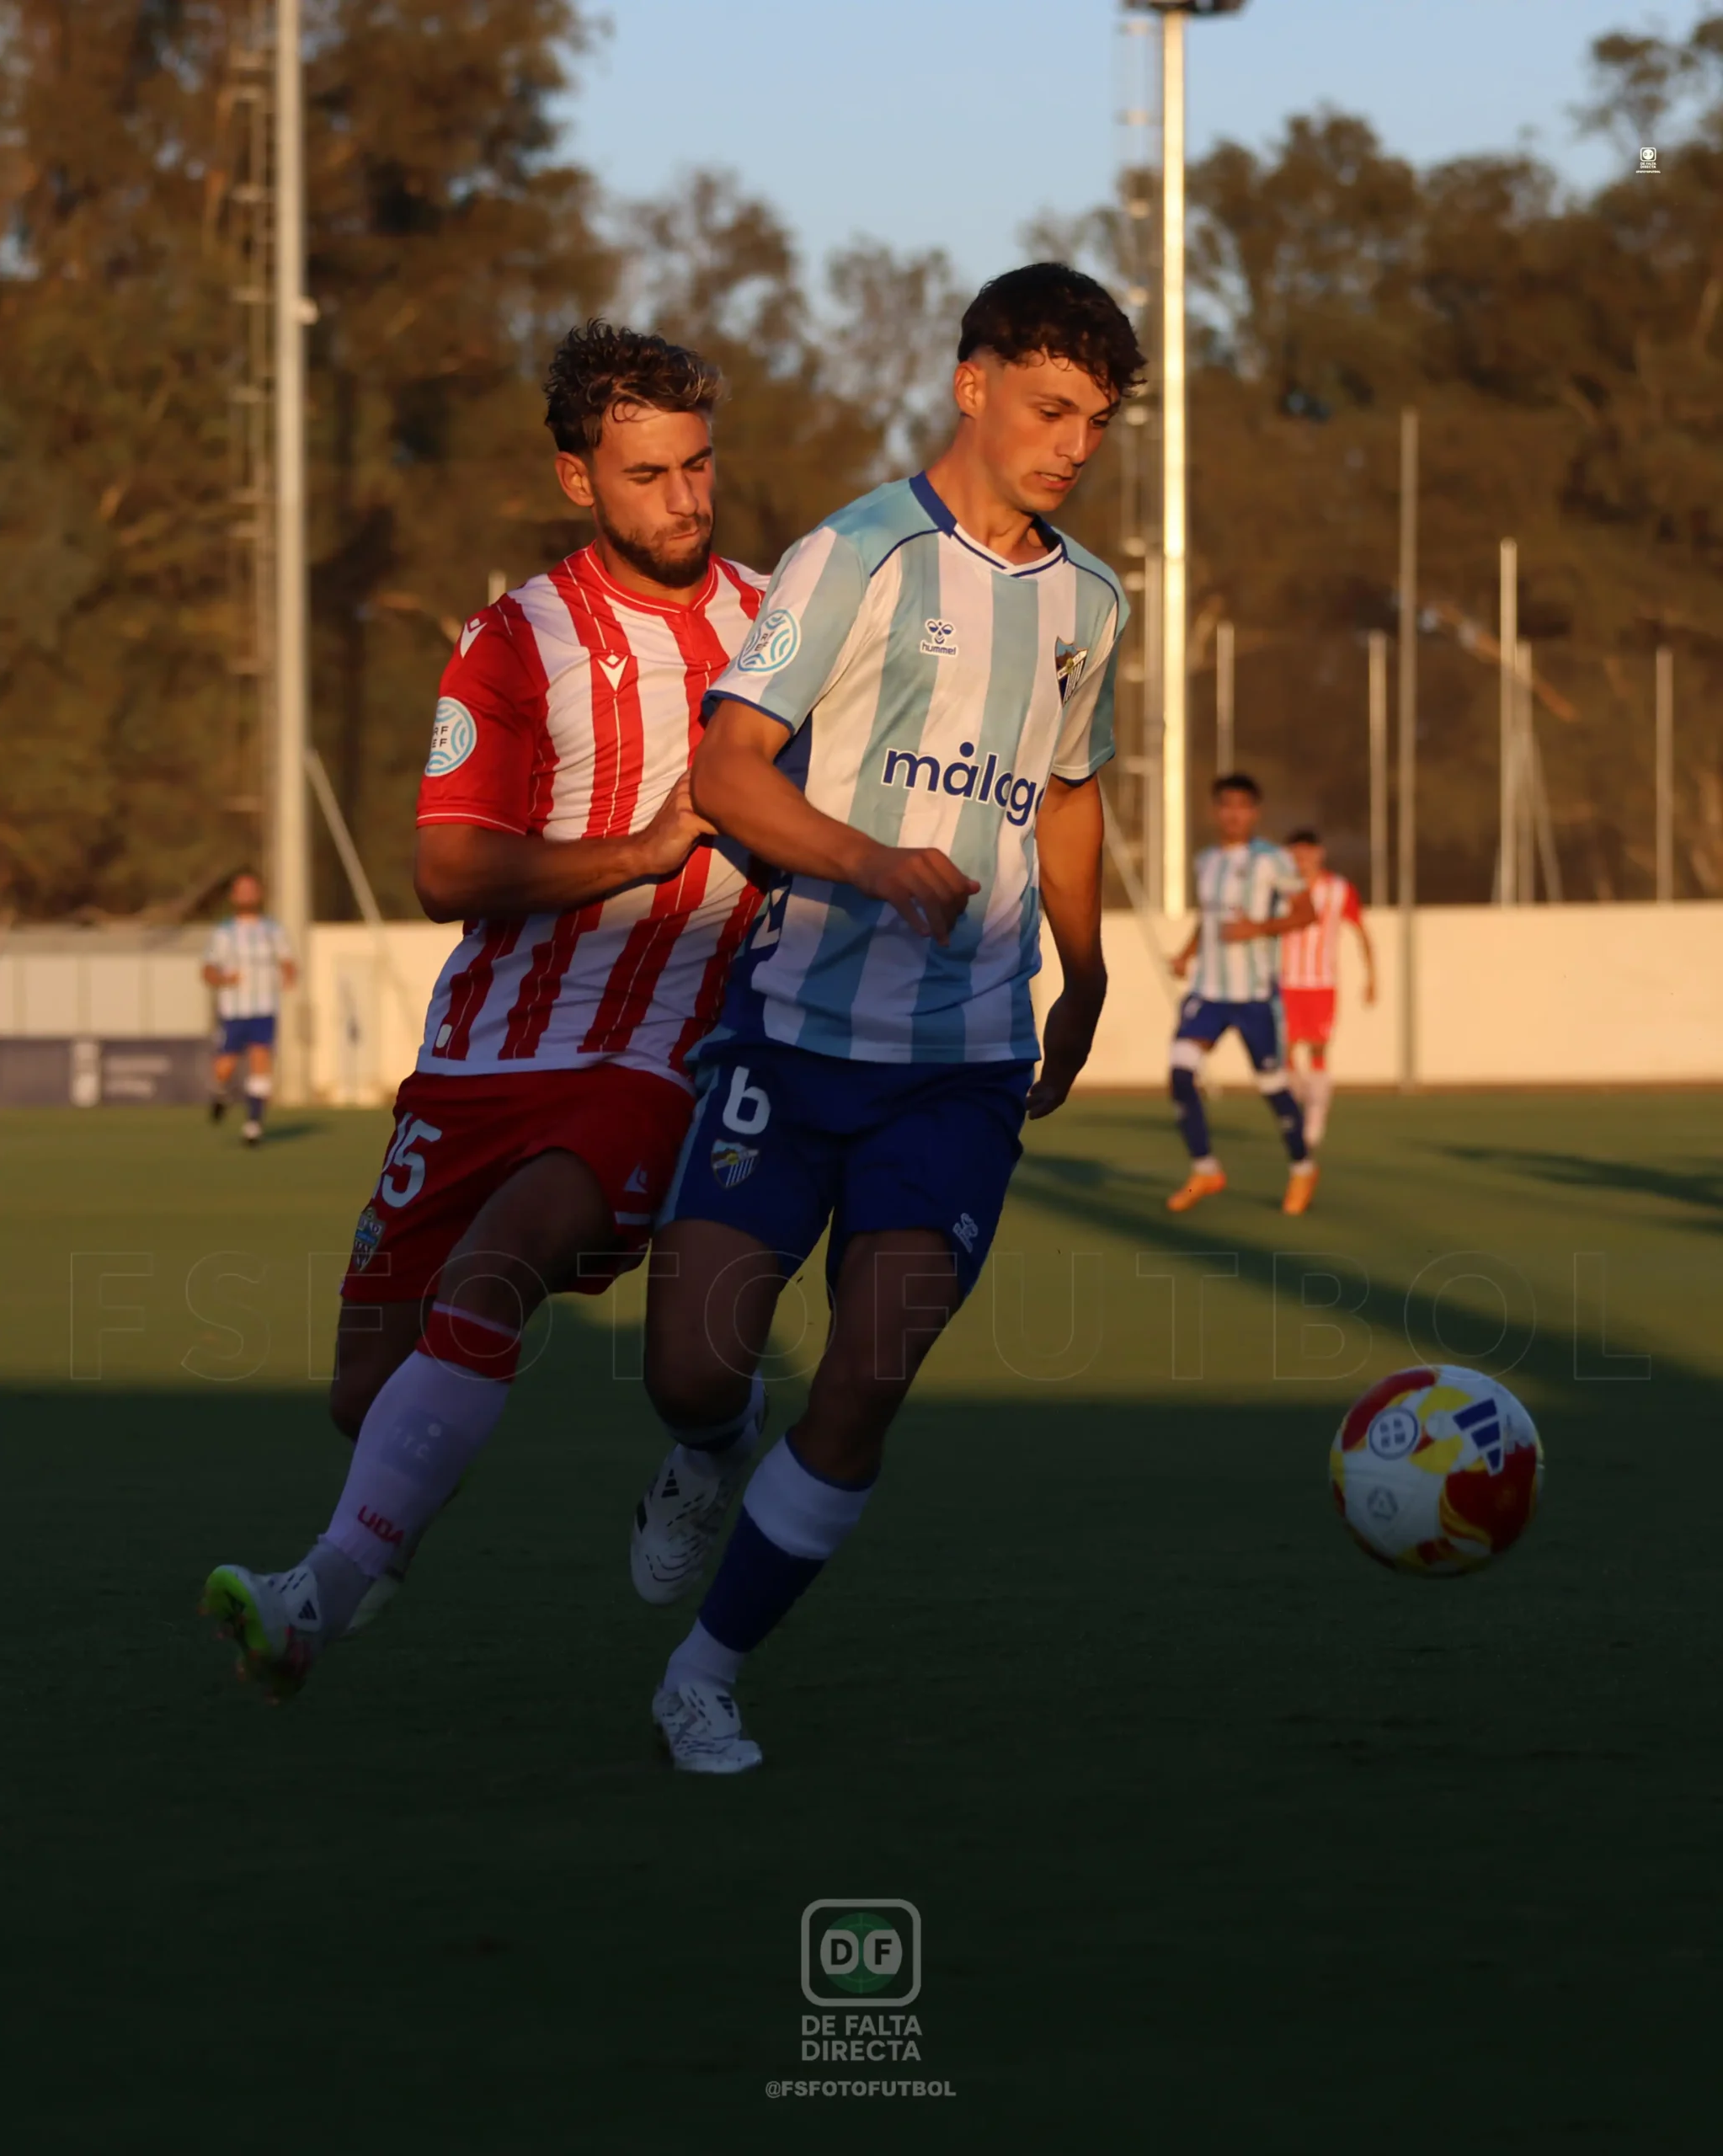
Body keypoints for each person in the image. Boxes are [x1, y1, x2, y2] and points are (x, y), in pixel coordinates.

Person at [201, 320, 769, 1694]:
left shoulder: (781, 624)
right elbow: (446, 870)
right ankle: (715, 1426)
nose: (686, 500)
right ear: (579, 479)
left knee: (498, 1266)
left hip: (654, 1047)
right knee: (366, 1396)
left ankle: (318, 1595)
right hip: (480, 1054)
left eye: (698, 465)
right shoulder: (516, 640)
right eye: (648, 475)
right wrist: (638, 852)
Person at [627, 262, 1139, 1774]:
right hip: (790, 1034)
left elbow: (1066, 791)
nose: (1072, 446)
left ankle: (704, 1675)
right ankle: (708, 1447)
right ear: (972, 384)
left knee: (864, 1381)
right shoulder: (849, 555)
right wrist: (868, 861)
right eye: (1050, 409)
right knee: (691, 1370)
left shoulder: (1091, 604)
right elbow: (727, 772)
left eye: (1097, 423)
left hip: (961, 1067)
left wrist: (1087, 969)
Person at [1165, 773, 1317, 1216]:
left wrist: (1258, 928)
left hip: (1254, 995)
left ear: (1255, 812)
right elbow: (1208, 919)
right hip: (1209, 992)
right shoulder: (1206, 861)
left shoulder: (1273, 860)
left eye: (1242, 806)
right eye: (1226, 805)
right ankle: (1205, 1169)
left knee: (1272, 1087)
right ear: (1215, 811)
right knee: (1180, 1071)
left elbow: (1306, 912)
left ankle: (1303, 1168)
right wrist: (1186, 954)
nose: (1234, 814)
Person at [1279, 827, 1375, 1148]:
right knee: (1283, 1050)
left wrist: (1371, 977)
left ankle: (1316, 1113)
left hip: (1321, 983)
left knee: (1318, 1047)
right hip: (1285, 982)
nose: (1302, 858)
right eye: (1296, 852)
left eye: (1307, 851)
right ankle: (1306, 1100)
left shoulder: (1338, 890)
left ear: (1319, 854)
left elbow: (1361, 931)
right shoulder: (1280, 888)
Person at [202, 872, 296, 1145]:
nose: (247, 895)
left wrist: (288, 974)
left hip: (264, 1007)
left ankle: (254, 1124)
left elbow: (287, 960)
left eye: (251, 890)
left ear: (259, 895)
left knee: (260, 1060)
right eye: (242, 890)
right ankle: (220, 1093)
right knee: (225, 1067)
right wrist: (223, 979)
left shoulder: (273, 930)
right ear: (234, 896)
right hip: (234, 1010)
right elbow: (207, 969)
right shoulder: (224, 933)